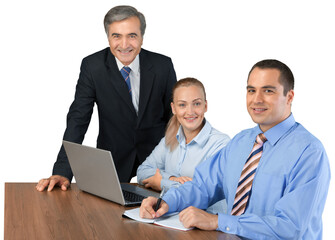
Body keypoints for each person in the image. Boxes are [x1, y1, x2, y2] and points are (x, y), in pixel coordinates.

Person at [140, 59, 331, 239]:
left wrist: (217, 221)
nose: (257, 99)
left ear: (289, 96)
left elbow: (290, 227)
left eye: (268, 91)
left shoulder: (309, 152)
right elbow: (202, 186)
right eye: (251, 90)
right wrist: (166, 202)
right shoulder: (241, 141)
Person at [36, 5, 177, 192]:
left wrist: (178, 163)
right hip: (113, 159)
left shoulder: (162, 65)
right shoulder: (93, 67)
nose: (124, 44)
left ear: (142, 37)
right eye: (116, 36)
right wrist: (63, 170)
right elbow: (78, 118)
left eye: (132, 36)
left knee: (160, 214)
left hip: (157, 160)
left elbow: (175, 117)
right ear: (108, 37)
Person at [136, 78, 230, 192]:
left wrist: (161, 183)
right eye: (182, 105)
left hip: (203, 210)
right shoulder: (169, 138)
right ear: (173, 108)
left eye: (196, 104)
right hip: (169, 208)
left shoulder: (220, 144)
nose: (190, 112)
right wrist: (172, 179)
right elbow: (142, 171)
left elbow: (203, 192)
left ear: (205, 106)